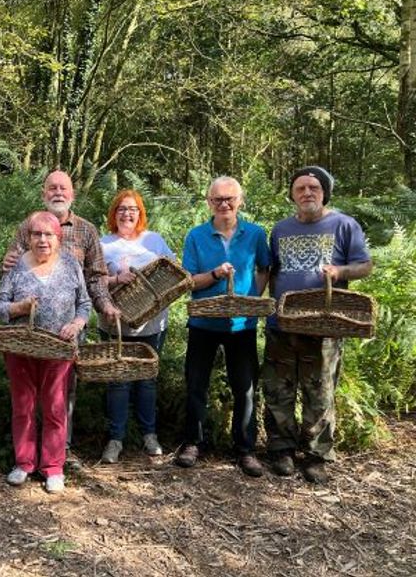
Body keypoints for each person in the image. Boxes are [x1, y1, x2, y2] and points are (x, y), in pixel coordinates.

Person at [2, 170, 118, 470]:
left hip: (66, 334)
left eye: (63, 188)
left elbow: (96, 278)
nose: (57, 192)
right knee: (25, 400)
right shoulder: (27, 226)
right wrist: (8, 266)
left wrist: (103, 307)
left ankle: (59, 455)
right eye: (51, 187)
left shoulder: (86, 230)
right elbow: (11, 269)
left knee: (63, 396)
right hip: (25, 338)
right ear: (44, 193)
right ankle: (26, 460)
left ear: (72, 194)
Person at [263, 166, 372, 484]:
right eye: (300, 188)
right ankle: (281, 448)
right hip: (282, 324)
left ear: (324, 192)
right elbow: (271, 271)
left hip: (324, 324)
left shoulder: (344, 225)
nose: (307, 193)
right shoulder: (280, 229)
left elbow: (364, 266)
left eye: (314, 187)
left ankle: (315, 455)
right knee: (277, 389)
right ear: (292, 194)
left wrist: (339, 273)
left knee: (320, 392)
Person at [175, 177, 270, 477]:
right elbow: (189, 281)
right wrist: (215, 274)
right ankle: (193, 443)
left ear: (240, 200)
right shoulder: (196, 235)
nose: (224, 204)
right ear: (208, 202)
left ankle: (245, 449)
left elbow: (265, 268)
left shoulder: (255, 234)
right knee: (196, 385)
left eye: (230, 199)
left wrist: (252, 298)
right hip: (203, 322)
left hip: (242, 324)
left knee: (245, 388)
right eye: (217, 199)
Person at [0, 211, 92, 493]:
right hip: (21, 348)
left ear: (58, 239)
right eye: (36, 234)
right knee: (23, 406)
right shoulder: (15, 267)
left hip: (59, 349)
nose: (42, 239)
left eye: (49, 234)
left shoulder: (72, 265)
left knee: (55, 407)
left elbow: (84, 303)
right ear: (28, 237)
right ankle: (24, 463)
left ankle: (53, 467)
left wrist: (76, 323)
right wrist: (18, 308)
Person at [97, 190, 176, 464]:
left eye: (132, 209)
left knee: (147, 380)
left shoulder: (154, 240)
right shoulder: (103, 243)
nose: (127, 213)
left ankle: (149, 435)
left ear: (140, 213)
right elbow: (92, 282)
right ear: (113, 213)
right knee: (117, 381)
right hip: (114, 324)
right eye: (121, 208)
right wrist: (117, 278)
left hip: (153, 324)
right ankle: (115, 439)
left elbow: (173, 270)